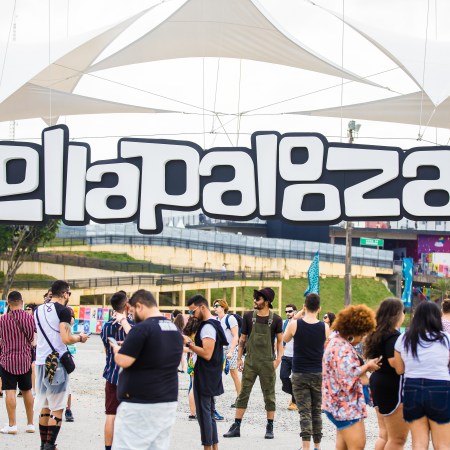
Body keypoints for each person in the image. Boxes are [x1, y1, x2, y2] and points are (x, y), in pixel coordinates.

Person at [111, 289, 183, 450]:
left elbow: (123, 360)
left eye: (132, 311)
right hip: (167, 401)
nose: (132, 316)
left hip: (140, 404)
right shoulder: (173, 329)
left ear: (139, 306)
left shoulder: (142, 329)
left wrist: (117, 351)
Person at [35, 280, 89, 450]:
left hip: (41, 362)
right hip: (56, 362)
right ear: (65, 293)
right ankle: (50, 446)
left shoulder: (38, 310)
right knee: (57, 408)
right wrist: (80, 338)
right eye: (69, 294)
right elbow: (65, 339)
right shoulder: (64, 311)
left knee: (45, 406)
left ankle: (43, 444)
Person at [224, 287, 283, 440]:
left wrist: (278, 360)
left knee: (269, 395)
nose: (255, 301)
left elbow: (280, 341)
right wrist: (238, 358)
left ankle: (270, 427)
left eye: (258, 298)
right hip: (250, 361)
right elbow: (242, 339)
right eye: (255, 298)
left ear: (267, 301)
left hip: (267, 362)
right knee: (243, 393)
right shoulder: (249, 316)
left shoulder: (276, 319)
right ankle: (236, 426)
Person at [322, 304, 381, 450]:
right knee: (357, 445)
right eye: (362, 335)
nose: (361, 340)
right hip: (345, 406)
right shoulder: (342, 348)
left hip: (337, 404)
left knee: (342, 446)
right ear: (354, 331)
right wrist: (367, 366)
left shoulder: (335, 341)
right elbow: (347, 376)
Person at [393, 301, 450, 449]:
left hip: (412, 388)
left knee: (418, 442)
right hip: (440, 388)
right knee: (442, 444)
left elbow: (399, 370)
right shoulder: (446, 338)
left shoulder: (404, 338)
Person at [284, 293, 329, 450]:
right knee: (316, 411)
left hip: (299, 373)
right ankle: (318, 446)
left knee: (304, 413)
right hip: (318, 373)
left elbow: (285, 339)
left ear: (304, 307)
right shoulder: (325, 327)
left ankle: (306, 447)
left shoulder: (295, 325)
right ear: (319, 308)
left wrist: (297, 315)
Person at [183, 294, 228, 450]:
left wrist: (189, 343)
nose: (192, 315)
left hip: (205, 375)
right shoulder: (214, 323)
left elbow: (207, 353)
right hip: (211, 374)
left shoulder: (207, 326)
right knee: (209, 414)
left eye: (192, 311)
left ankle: (208, 447)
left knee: (204, 416)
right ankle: (214, 447)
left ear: (202, 307)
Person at [364, 298, 409, 450]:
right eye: (403, 312)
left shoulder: (377, 333)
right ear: (396, 314)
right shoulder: (393, 337)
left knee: (384, 434)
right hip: (391, 385)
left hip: (378, 382)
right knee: (397, 439)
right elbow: (395, 364)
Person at [100, 290, 133, 450]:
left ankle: (108, 448)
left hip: (111, 374)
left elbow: (106, 351)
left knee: (110, 414)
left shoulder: (106, 327)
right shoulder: (133, 326)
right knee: (129, 417)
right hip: (130, 378)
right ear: (127, 305)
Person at [0, 291, 36, 434]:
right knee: (27, 391)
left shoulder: (2, 320)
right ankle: (30, 424)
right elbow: (33, 340)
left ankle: (12, 425)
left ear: (8, 303)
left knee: (10, 391)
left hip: (7, 360)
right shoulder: (30, 319)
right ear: (21, 302)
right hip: (25, 360)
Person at [213, 299, 241, 406]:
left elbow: (236, 336)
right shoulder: (216, 320)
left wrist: (231, 351)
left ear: (223, 307)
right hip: (220, 349)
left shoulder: (230, 319)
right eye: (214, 306)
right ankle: (212, 398)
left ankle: (240, 398)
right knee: (215, 373)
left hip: (231, 349)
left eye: (217, 305)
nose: (214, 307)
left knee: (234, 374)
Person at [183, 316, 201, 420]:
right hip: (197, 361)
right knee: (195, 387)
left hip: (190, 361)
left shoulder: (188, 334)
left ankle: (192, 412)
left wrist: (190, 350)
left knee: (193, 386)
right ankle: (194, 412)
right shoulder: (198, 333)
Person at [280, 303, 297, 411]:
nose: (287, 313)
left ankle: (294, 402)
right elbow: (280, 338)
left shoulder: (299, 323)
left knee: (295, 379)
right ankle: (299, 396)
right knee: (283, 377)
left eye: (290, 311)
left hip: (297, 356)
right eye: (286, 311)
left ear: (295, 311)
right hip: (286, 355)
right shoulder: (284, 323)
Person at [25, 303, 38, 395]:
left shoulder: (37, 321)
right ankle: (29, 389)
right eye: (26, 309)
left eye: (29, 309)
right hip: (27, 347)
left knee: (33, 367)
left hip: (37, 347)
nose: (26, 310)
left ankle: (35, 390)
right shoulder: (24, 321)